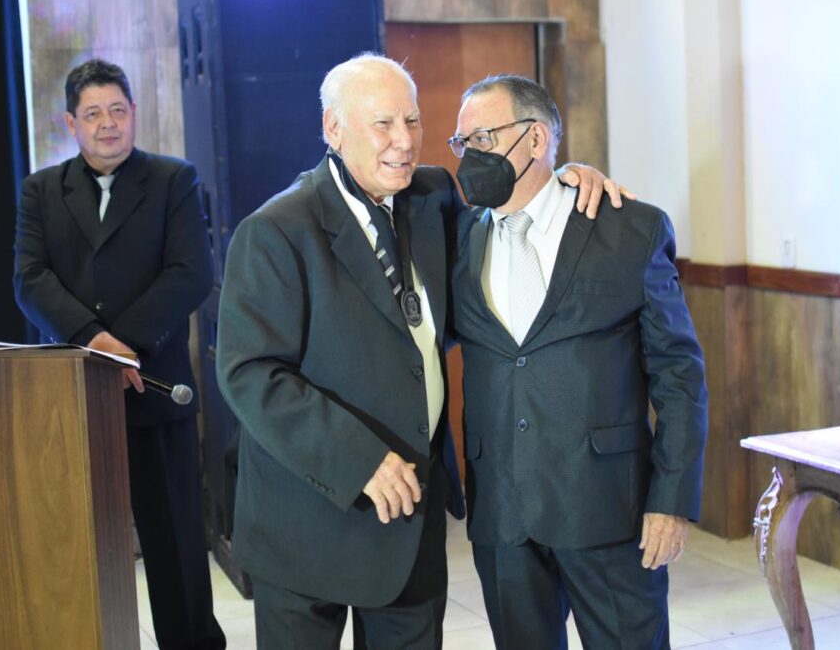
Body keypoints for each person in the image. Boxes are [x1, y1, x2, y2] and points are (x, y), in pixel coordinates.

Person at [215, 53, 620, 649]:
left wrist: (565, 177)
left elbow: (512, 221)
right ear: (334, 129)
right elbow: (251, 374)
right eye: (383, 124)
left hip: (410, 521)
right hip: (305, 521)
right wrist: (360, 461)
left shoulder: (433, 195)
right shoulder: (276, 229)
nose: (404, 141)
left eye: (412, 121)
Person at [449, 74, 708, 649]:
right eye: (462, 143)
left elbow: (680, 376)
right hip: (504, 515)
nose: (470, 157)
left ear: (535, 139)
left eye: (484, 139)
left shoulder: (629, 229)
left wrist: (671, 501)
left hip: (609, 510)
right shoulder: (458, 237)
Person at [13, 59, 225, 650]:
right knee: (73, 545)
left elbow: (190, 273)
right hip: (72, 397)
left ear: (133, 114)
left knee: (175, 545)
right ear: (71, 123)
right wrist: (93, 338)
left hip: (155, 389)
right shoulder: (40, 191)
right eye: (93, 114)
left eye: (117, 111)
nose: (107, 124)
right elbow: (30, 279)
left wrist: (123, 345)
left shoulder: (173, 180)